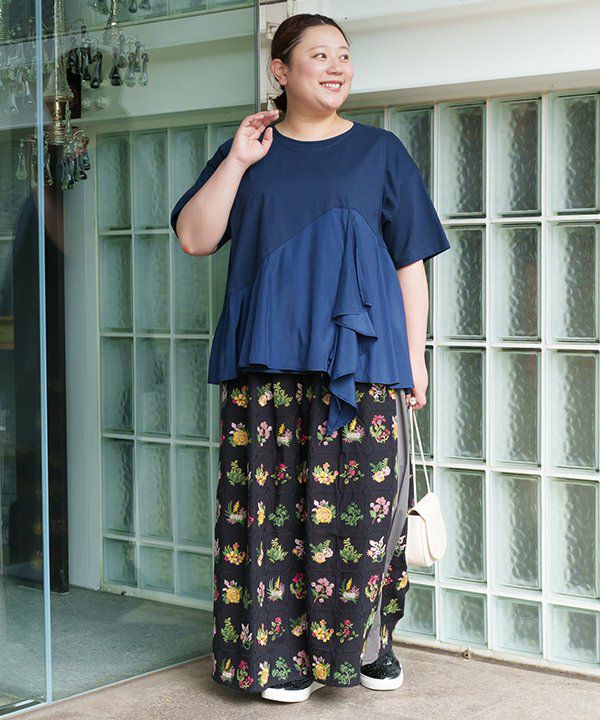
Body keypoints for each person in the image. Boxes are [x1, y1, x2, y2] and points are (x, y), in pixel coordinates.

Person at [170, 13, 450, 703]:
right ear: (281, 70)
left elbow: (411, 266)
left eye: (344, 55)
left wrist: (415, 358)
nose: (337, 67)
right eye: (319, 55)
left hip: (366, 365)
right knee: (269, 513)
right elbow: (194, 238)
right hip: (266, 366)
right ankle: (278, 659)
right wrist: (237, 160)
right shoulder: (250, 151)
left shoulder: (382, 153)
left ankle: (368, 647)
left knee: (366, 511)